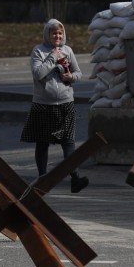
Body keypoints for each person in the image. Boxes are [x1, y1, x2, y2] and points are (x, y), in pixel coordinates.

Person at [19, 18, 88, 193]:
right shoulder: (38, 51)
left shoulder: (68, 50)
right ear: (47, 35)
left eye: (60, 33)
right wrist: (52, 58)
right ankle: (42, 178)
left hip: (66, 102)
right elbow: (38, 74)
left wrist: (70, 77)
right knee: (42, 143)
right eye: (54, 33)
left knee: (68, 142)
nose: (57, 36)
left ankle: (75, 178)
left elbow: (79, 73)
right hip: (43, 104)